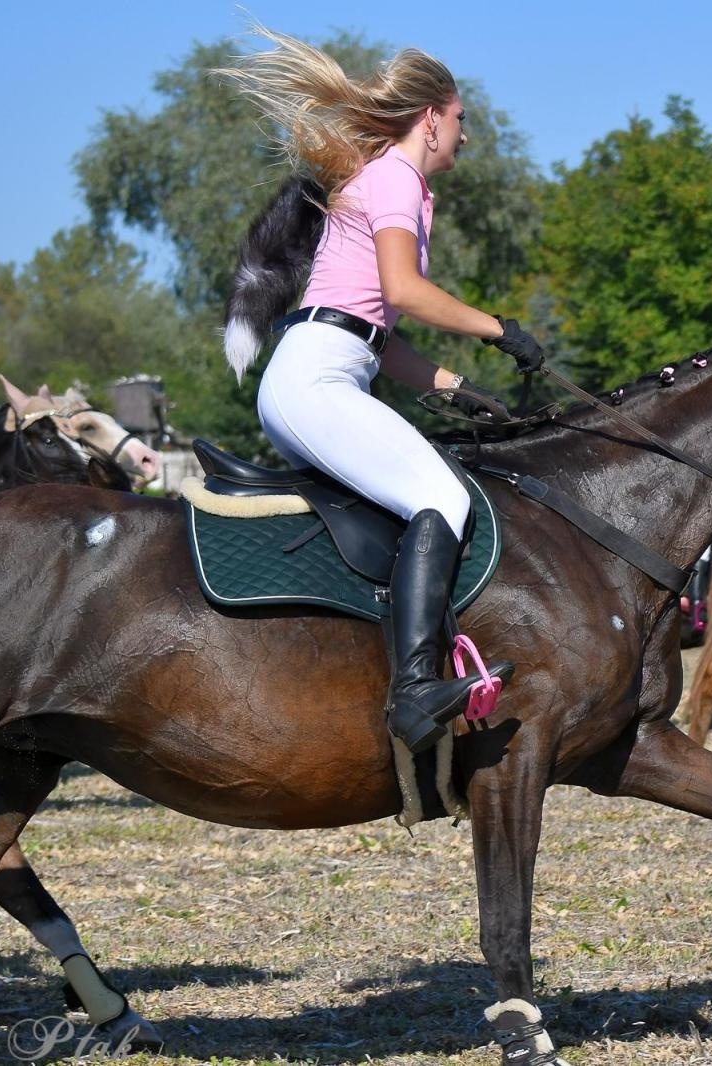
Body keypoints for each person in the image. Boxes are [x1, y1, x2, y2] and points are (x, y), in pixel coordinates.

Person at [217, 30, 544, 753]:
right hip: (315, 378)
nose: (466, 137)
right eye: (463, 121)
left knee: (427, 494)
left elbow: (379, 332)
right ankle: (416, 688)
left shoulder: (396, 184)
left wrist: (456, 386)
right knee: (444, 499)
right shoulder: (397, 179)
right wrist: (500, 329)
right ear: (433, 116)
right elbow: (406, 291)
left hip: (327, 367)